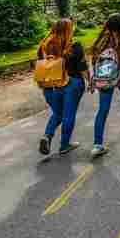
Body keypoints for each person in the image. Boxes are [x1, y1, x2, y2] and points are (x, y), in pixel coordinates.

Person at [89, 14, 120, 157]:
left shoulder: (100, 40)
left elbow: (94, 60)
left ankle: (97, 144)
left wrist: (96, 77)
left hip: (105, 77)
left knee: (103, 109)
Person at [38, 19, 88, 156]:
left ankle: (47, 136)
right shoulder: (74, 46)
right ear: (68, 30)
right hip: (71, 83)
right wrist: (90, 81)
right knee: (68, 115)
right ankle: (64, 145)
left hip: (49, 86)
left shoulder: (44, 45)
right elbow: (82, 67)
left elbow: (41, 65)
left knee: (58, 113)